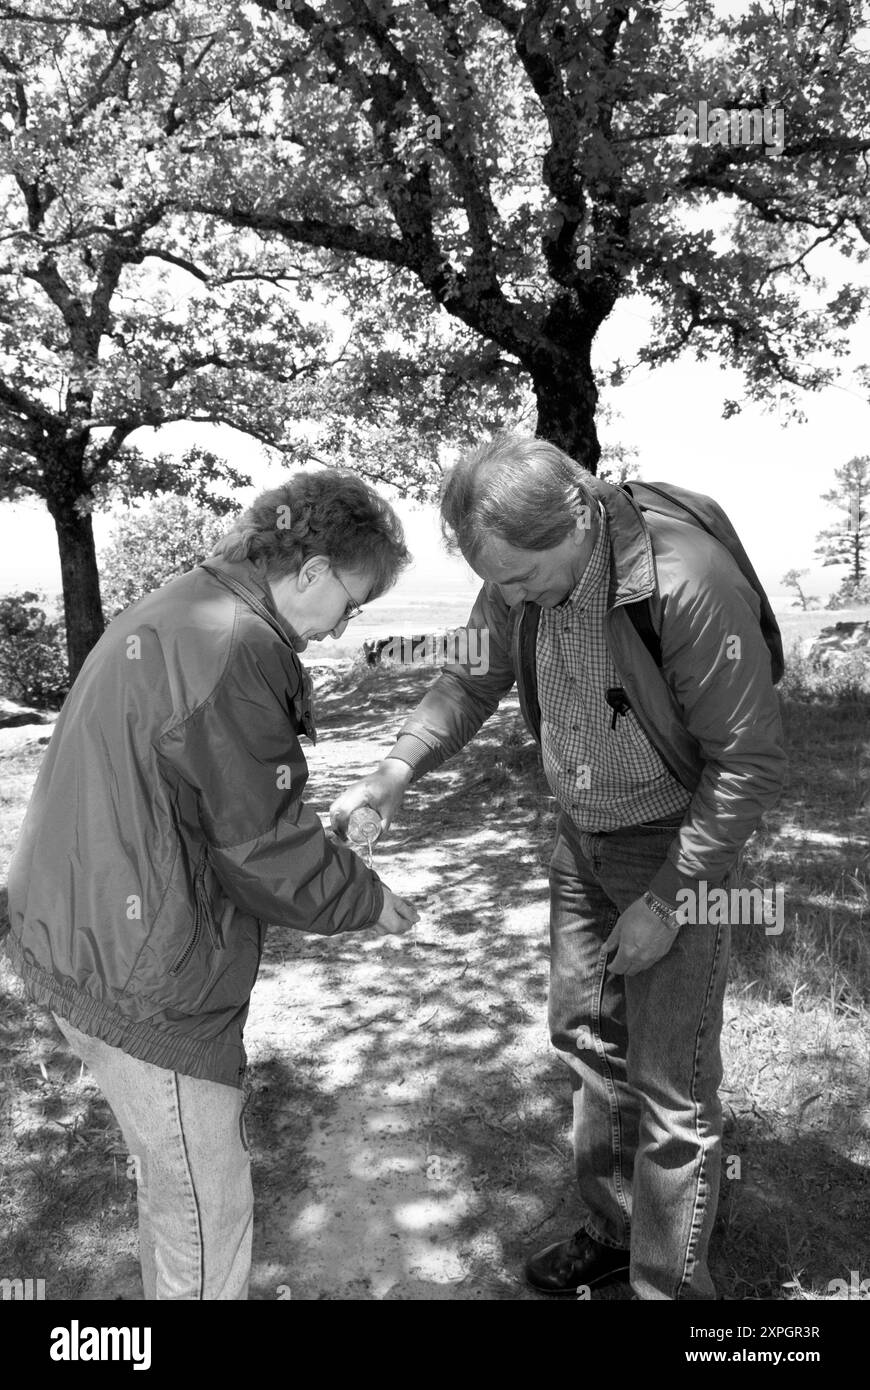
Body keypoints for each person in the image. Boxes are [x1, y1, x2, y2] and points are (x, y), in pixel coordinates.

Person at [330, 433, 787, 1301]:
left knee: (671, 1087)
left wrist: (670, 901)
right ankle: (619, 1227)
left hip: (674, 847)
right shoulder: (515, 574)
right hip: (581, 835)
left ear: (577, 518)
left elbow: (748, 762)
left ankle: (672, 1291)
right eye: (495, 581)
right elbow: (469, 678)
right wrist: (394, 772)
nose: (506, 599)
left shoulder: (686, 581)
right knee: (585, 1040)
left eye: (520, 578)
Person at [3, 469, 419, 1300]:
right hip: (140, 976)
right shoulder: (236, 645)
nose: (345, 627)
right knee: (204, 1203)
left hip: (80, 937)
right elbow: (262, 848)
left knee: (175, 1183)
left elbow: (222, 800)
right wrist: (369, 898)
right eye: (354, 601)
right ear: (312, 571)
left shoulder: (189, 606)